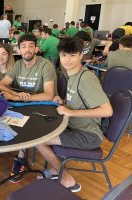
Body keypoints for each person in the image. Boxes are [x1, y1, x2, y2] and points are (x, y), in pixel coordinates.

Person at [35, 37, 113, 192]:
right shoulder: (71, 73)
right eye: (64, 55)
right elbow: (77, 99)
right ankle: (57, 169)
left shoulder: (87, 79)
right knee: (41, 129)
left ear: (80, 55)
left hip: (88, 135)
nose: (67, 59)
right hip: (73, 126)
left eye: (72, 55)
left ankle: (67, 179)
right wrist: (63, 102)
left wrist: (70, 111)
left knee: (39, 141)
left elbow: (107, 111)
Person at [0, 33, 56, 183]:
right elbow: (0, 85)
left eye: (31, 46)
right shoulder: (18, 65)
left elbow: (49, 95)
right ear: (19, 49)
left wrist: (21, 97)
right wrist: (15, 95)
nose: (27, 49)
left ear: (36, 48)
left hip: (42, 108)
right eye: (23, 46)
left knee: (26, 126)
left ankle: (20, 159)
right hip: (23, 104)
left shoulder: (45, 65)